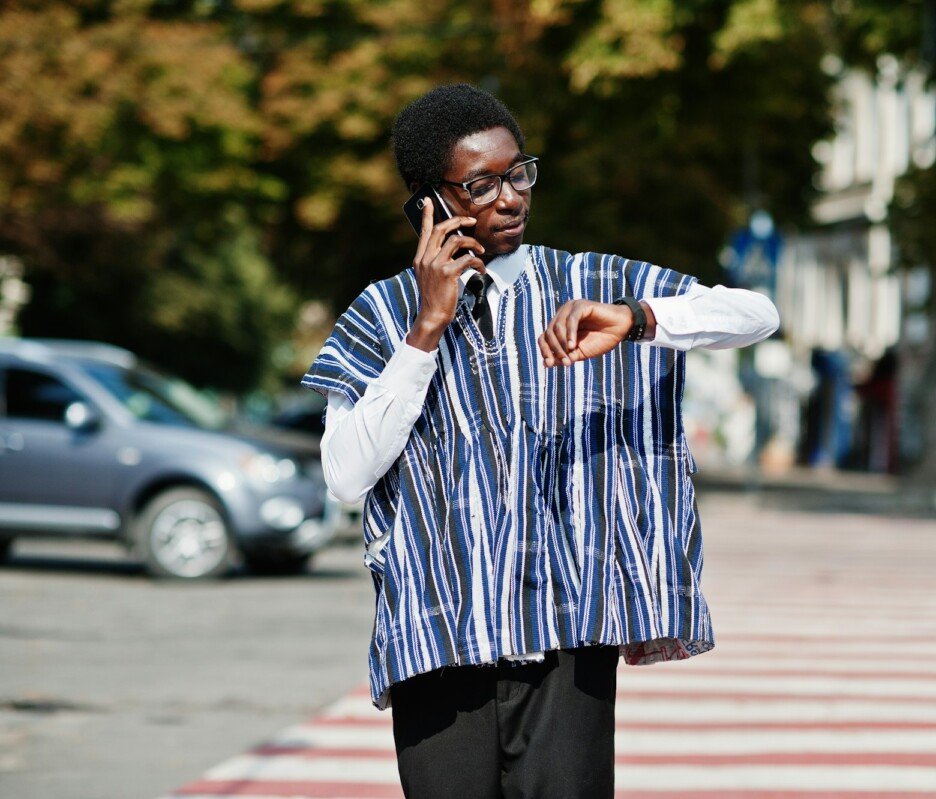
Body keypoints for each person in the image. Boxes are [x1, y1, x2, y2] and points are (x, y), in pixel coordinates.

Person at [302, 83, 779, 798]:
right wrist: (426, 331)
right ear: (427, 197)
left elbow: (756, 312)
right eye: (481, 183)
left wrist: (638, 319)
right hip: (438, 631)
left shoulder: (587, 280)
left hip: (568, 624)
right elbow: (345, 474)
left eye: (518, 172)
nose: (510, 197)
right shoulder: (381, 314)